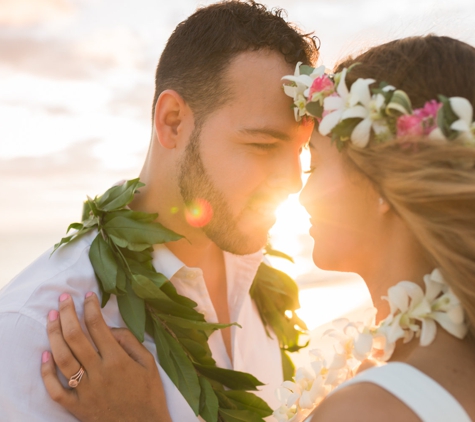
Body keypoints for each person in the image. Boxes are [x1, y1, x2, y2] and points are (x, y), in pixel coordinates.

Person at [44, 34, 475, 421]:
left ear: (386, 180)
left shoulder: (371, 409)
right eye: (263, 147)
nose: (297, 189)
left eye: (315, 162)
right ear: (170, 121)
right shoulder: (439, 367)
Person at [0, 1, 317, 421]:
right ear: (171, 122)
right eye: (262, 146)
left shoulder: (261, 283)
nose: (294, 181)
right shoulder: (35, 330)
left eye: (300, 152)